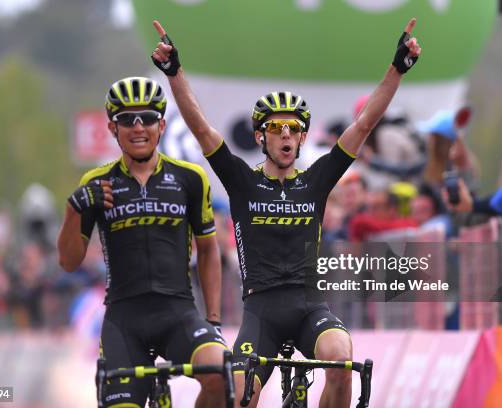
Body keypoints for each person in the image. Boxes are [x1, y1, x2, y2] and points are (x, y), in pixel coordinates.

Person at [151, 18, 421, 407]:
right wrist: (174, 73)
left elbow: (363, 125)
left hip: (311, 305)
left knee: (342, 358)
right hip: (261, 311)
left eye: (294, 128)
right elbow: (202, 129)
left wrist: (397, 70)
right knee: (240, 394)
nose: (286, 135)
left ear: (303, 136)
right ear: (260, 136)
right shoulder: (242, 181)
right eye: (276, 127)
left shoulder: (315, 181)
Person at [56, 76, 227, 408]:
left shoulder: (190, 178)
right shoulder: (96, 182)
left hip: (179, 313)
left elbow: (208, 250)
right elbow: (68, 262)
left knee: (223, 373)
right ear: (111, 127)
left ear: (161, 124)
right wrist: (74, 207)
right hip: (124, 321)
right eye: (126, 119)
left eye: (147, 117)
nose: (138, 127)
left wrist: (215, 320)